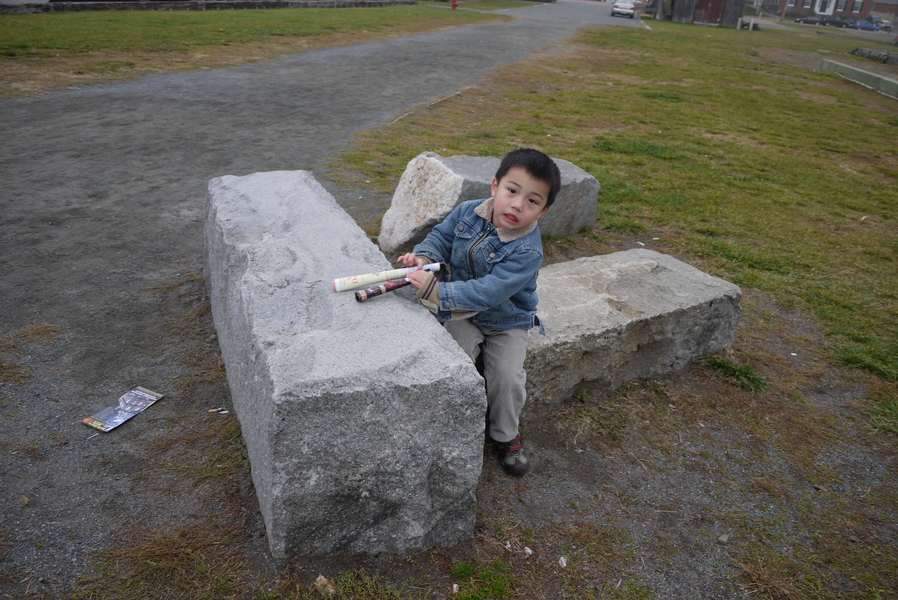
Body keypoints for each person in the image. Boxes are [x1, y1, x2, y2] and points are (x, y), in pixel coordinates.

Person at [398, 148, 561, 476]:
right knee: (452, 359)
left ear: (543, 211)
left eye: (532, 201)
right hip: (463, 313)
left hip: (507, 320)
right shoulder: (467, 212)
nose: (517, 205)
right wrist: (424, 257)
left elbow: (489, 291)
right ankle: (450, 421)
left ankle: (506, 433)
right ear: (495, 186)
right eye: (512, 191)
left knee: (507, 377)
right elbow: (441, 238)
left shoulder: (527, 250)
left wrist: (436, 292)